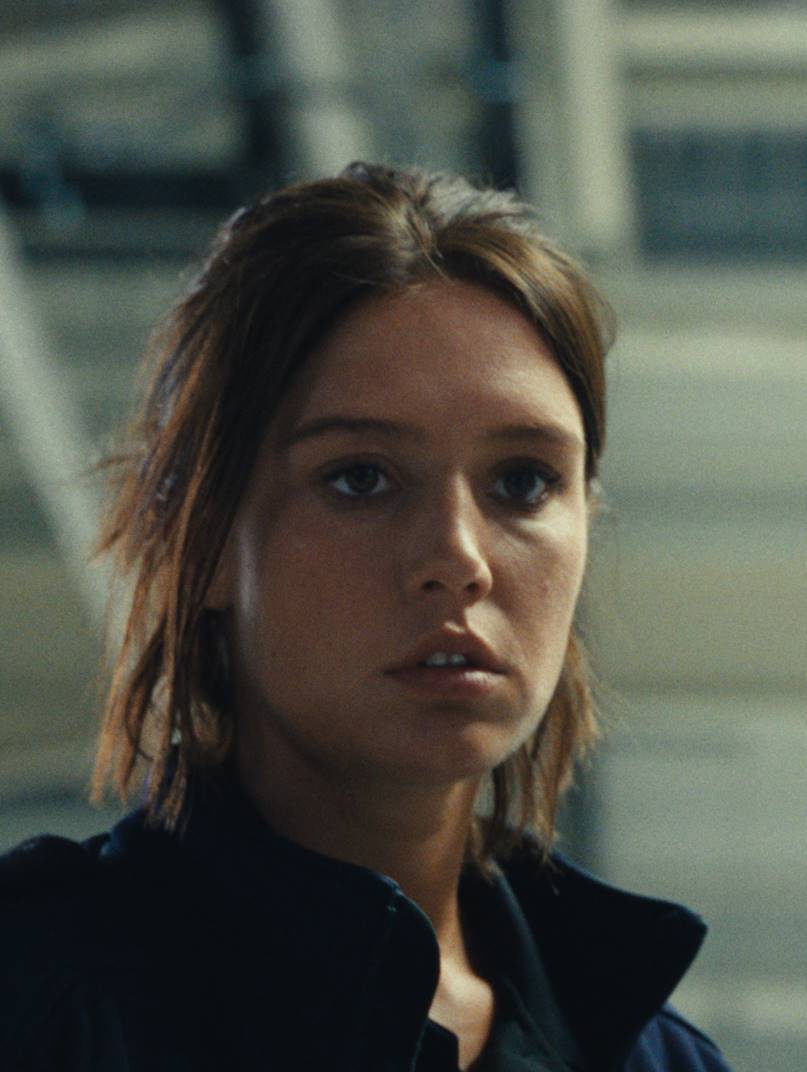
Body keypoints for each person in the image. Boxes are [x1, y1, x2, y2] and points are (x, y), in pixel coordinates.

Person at [0, 164, 729, 1071]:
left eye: (523, 482)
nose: (458, 559)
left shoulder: (655, 1059)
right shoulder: (38, 1004)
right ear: (207, 536)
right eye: (360, 478)